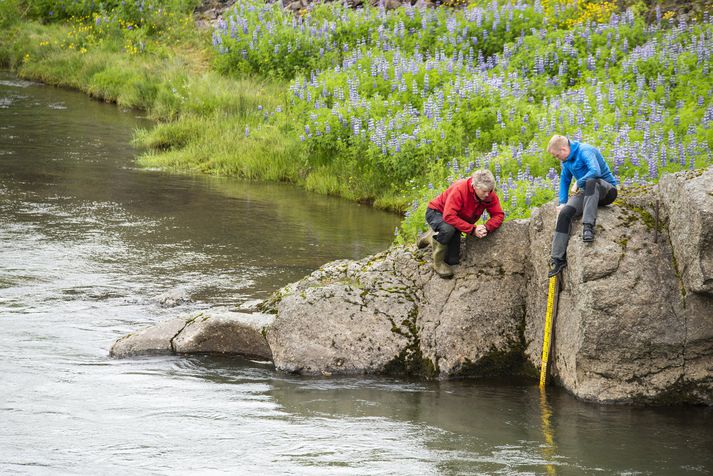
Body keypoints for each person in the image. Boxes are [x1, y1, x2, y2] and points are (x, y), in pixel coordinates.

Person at [547, 134, 618, 277]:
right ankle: (558, 258)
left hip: (606, 190)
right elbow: (564, 181)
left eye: (556, 155)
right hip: (588, 193)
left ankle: (588, 227)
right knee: (565, 213)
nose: (557, 158)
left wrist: (579, 182)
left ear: (563, 149)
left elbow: (595, 172)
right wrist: (562, 203)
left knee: (591, 181)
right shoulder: (566, 162)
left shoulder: (585, 150)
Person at [416, 169, 505, 278]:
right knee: (448, 229)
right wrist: (472, 230)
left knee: (452, 261)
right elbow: (448, 216)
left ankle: (431, 236)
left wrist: (487, 227)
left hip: (457, 221)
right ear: (474, 186)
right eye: (484, 191)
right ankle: (437, 262)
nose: (488, 194)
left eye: (490, 190)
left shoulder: (489, 194)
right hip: (437, 212)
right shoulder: (460, 189)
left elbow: (499, 215)